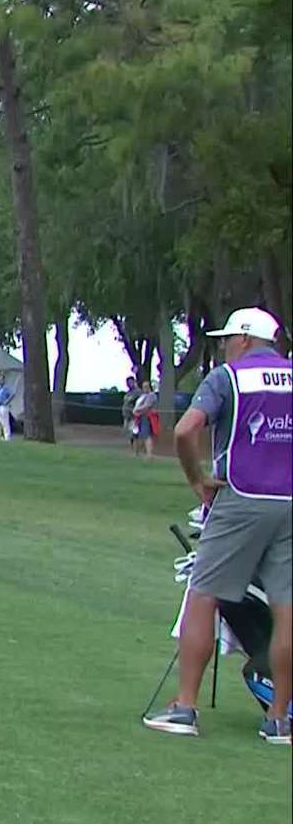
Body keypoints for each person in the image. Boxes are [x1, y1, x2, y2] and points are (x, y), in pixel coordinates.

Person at [144, 307, 291, 744]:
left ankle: (185, 707)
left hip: (241, 495)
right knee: (287, 608)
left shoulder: (227, 377)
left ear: (245, 340)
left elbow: (187, 431)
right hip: (289, 501)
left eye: (229, 338)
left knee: (203, 594)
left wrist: (197, 480)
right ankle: (280, 717)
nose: (225, 345)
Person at [133, 379, 159, 458]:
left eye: (147, 387)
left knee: (146, 435)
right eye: (144, 387)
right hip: (139, 417)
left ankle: (149, 454)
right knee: (136, 436)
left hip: (147, 417)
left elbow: (147, 406)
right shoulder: (142, 396)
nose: (145, 388)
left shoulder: (151, 395)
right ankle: (137, 453)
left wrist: (137, 410)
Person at [0, 374, 16, 441]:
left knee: (5, 422)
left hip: (3, 406)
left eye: (1, 380)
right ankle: (1, 435)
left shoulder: (5, 388)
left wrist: (6, 402)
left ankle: (7, 436)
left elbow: (12, 394)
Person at [121, 376, 141, 454]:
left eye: (130, 382)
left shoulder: (138, 392)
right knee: (128, 433)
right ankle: (132, 448)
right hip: (127, 416)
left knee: (134, 433)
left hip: (134, 417)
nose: (129, 384)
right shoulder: (128, 393)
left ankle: (136, 450)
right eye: (128, 383)